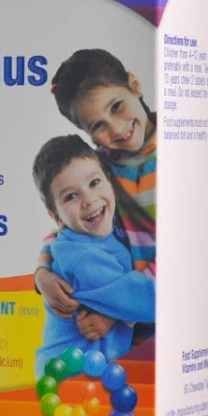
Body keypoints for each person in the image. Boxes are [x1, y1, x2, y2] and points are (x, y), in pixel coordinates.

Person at [35, 49, 157, 343]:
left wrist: (117, 311)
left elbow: (185, 256)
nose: (117, 129)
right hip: (131, 321)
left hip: (161, 305)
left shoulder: (182, 152)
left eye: (116, 106)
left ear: (134, 85)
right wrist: (42, 273)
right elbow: (66, 227)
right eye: (97, 126)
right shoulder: (98, 169)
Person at [32, 135, 155, 377]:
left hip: (94, 371)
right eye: (71, 196)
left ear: (109, 181)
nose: (89, 200)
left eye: (94, 182)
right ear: (57, 217)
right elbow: (147, 300)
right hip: (69, 376)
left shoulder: (111, 224)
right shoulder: (82, 260)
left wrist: (113, 315)